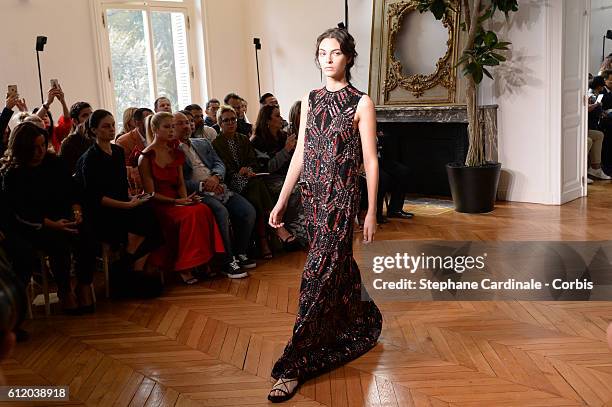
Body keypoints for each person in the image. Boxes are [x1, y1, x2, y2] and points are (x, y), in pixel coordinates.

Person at [267, 27, 382, 402]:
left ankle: (294, 365)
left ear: (348, 57)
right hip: (312, 200)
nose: (328, 58)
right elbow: (300, 153)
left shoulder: (361, 102)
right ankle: (361, 318)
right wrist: (281, 200)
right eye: (322, 52)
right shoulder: (310, 100)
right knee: (337, 266)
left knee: (316, 274)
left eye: (335, 52)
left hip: (341, 200)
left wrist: (370, 212)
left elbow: (370, 160)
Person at [1, 122, 97, 314]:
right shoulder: (14, 173)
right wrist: (53, 224)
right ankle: (65, 291)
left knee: (88, 234)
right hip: (34, 225)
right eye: (35, 147)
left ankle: (84, 285)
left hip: (62, 217)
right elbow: (20, 211)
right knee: (58, 244)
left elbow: (73, 190)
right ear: (23, 148)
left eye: (43, 145)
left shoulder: (55, 163)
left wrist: (76, 211)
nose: (40, 151)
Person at [74, 110, 162, 289]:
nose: (112, 129)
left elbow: (120, 186)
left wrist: (132, 198)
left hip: (121, 205)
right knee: (146, 221)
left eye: (113, 125)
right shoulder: (90, 158)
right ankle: (128, 268)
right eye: (106, 126)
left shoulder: (117, 151)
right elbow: (95, 197)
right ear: (94, 130)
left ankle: (129, 265)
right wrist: (126, 204)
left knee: (151, 215)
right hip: (101, 213)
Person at [138, 112, 224, 284]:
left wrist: (186, 200)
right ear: (155, 129)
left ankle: (202, 261)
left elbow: (180, 183)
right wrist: (177, 202)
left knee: (202, 210)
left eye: (172, 127)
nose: (171, 131)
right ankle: (185, 266)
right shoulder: (145, 156)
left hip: (177, 199)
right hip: (159, 204)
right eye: (166, 127)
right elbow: (150, 193)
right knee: (190, 216)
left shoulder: (175, 151)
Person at [174, 112, 256, 278]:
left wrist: (216, 177)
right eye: (181, 123)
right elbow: (179, 181)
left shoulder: (202, 142)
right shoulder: (172, 151)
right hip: (197, 192)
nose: (187, 126)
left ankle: (240, 252)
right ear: (172, 127)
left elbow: (219, 163)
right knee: (221, 212)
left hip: (218, 186)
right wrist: (203, 185)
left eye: (188, 122)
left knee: (248, 211)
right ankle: (227, 261)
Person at [252, 105, 305, 248]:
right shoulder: (257, 141)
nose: (281, 118)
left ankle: (306, 230)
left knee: (307, 186)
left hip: (285, 176)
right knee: (295, 191)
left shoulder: (283, 136)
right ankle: (293, 233)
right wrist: (286, 150)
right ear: (267, 120)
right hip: (268, 180)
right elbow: (268, 168)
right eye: (277, 115)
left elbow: (292, 164)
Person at [116, 108, 153, 194]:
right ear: (137, 123)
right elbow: (128, 173)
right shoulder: (123, 141)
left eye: (153, 119)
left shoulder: (158, 136)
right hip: (139, 189)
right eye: (148, 119)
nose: (152, 122)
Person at [33, 86, 72, 153]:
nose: (44, 118)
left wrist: (62, 101)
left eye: (46, 116)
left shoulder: (56, 132)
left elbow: (67, 120)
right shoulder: (32, 135)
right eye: (41, 117)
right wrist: (48, 102)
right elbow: (32, 122)